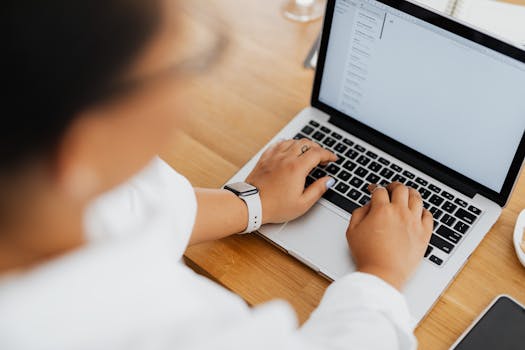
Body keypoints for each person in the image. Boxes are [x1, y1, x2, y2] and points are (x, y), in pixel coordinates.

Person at [0, 0, 433, 349]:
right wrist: (383, 274)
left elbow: (130, 205)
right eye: (180, 65)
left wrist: (254, 203)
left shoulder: (34, 196)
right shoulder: (144, 325)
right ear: (82, 147)